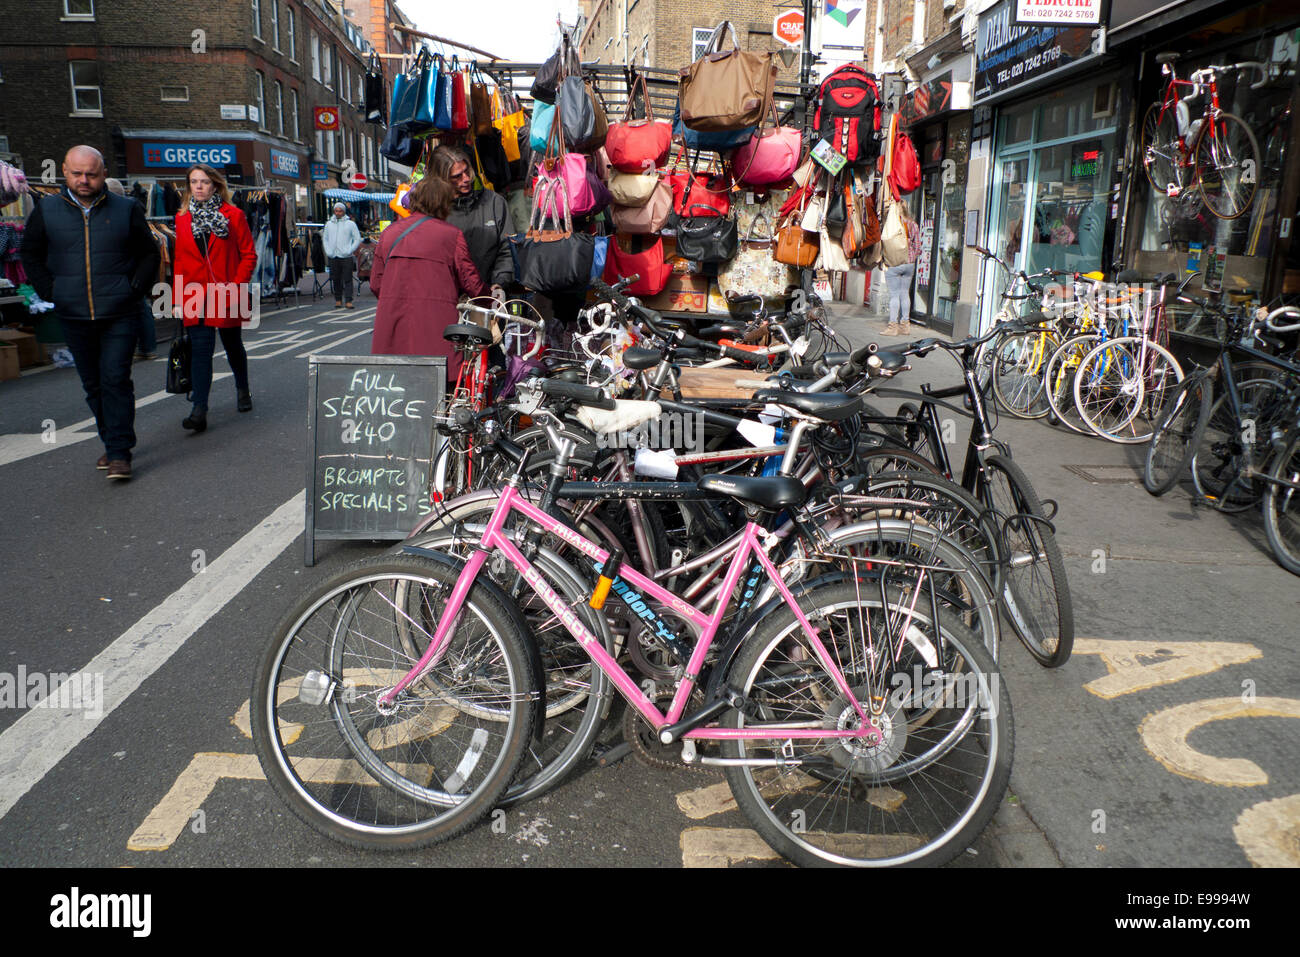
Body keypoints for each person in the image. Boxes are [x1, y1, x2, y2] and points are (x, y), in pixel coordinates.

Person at [20, 146, 160, 480]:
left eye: (92, 174)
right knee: (93, 384)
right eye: (77, 173)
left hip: (119, 312)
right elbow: (31, 254)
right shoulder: (47, 210)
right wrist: (51, 292)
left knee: (115, 378)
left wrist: (134, 289)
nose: (84, 180)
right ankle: (111, 441)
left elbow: (149, 254)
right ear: (65, 172)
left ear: (102, 172)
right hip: (73, 313)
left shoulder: (126, 209)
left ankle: (119, 452)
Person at [171, 163, 258, 433]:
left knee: (233, 345)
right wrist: (176, 298)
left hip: (227, 290)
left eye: (204, 182)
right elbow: (180, 260)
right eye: (193, 182)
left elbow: (249, 255)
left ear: (215, 185)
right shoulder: (182, 217)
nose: (198, 186)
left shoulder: (234, 215)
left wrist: (237, 286)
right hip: (194, 293)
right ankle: (199, 409)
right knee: (200, 351)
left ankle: (242, 389)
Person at [370, 175, 485, 376]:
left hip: (393, 320)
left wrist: (395, 297)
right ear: (442, 202)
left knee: (395, 382)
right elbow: (471, 282)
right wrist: (490, 296)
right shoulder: (451, 234)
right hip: (437, 324)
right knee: (440, 386)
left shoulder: (388, 233)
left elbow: (376, 283)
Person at [430, 146, 514, 302]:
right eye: (457, 176)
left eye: (466, 171)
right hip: (448, 300)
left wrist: (499, 283)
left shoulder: (495, 203)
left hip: (489, 295)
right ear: (442, 179)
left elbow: (507, 248)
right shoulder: (435, 210)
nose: (466, 179)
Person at [106, 176, 158, 360]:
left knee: (139, 307)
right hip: (133, 267)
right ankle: (146, 346)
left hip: (130, 268)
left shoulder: (124, 211)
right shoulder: (131, 208)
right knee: (140, 307)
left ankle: (146, 346)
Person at [882, 204, 921, 336]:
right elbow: (918, 246)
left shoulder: (892, 225)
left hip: (894, 262)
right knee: (905, 293)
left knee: (894, 295)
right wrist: (912, 257)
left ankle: (893, 326)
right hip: (909, 263)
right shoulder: (913, 224)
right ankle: (905, 325)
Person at [323, 202, 361, 308]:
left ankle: (348, 300)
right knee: (336, 279)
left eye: (340, 211)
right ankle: (338, 299)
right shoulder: (329, 224)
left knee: (348, 278)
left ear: (344, 211)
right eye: (336, 211)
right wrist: (328, 251)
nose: (338, 213)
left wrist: (350, 250)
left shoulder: (350, 224)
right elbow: (325, 239)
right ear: (334, 211)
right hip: (333, 255)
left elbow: (357, 238)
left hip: (346, 256)